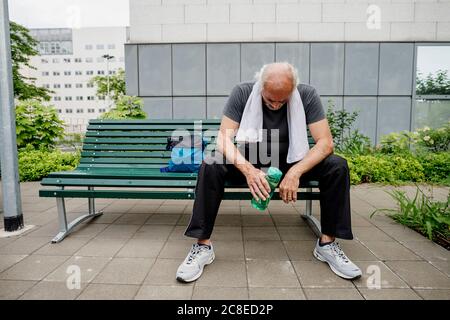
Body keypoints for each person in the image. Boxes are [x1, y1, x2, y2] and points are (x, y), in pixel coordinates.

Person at [176, 62, 362, 283]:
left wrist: (295, 172)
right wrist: (249, 171)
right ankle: (202, 246)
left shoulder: (307, 95)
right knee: (211, 163)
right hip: (253, 161)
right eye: (270, 100)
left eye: (282, 100)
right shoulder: (243, 92)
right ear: (260, 86)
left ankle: (327, 243)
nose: (275, 105)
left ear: (293, 88)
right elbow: (223, 140)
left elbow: (325, 143)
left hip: (294, 160)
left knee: (337, 165)